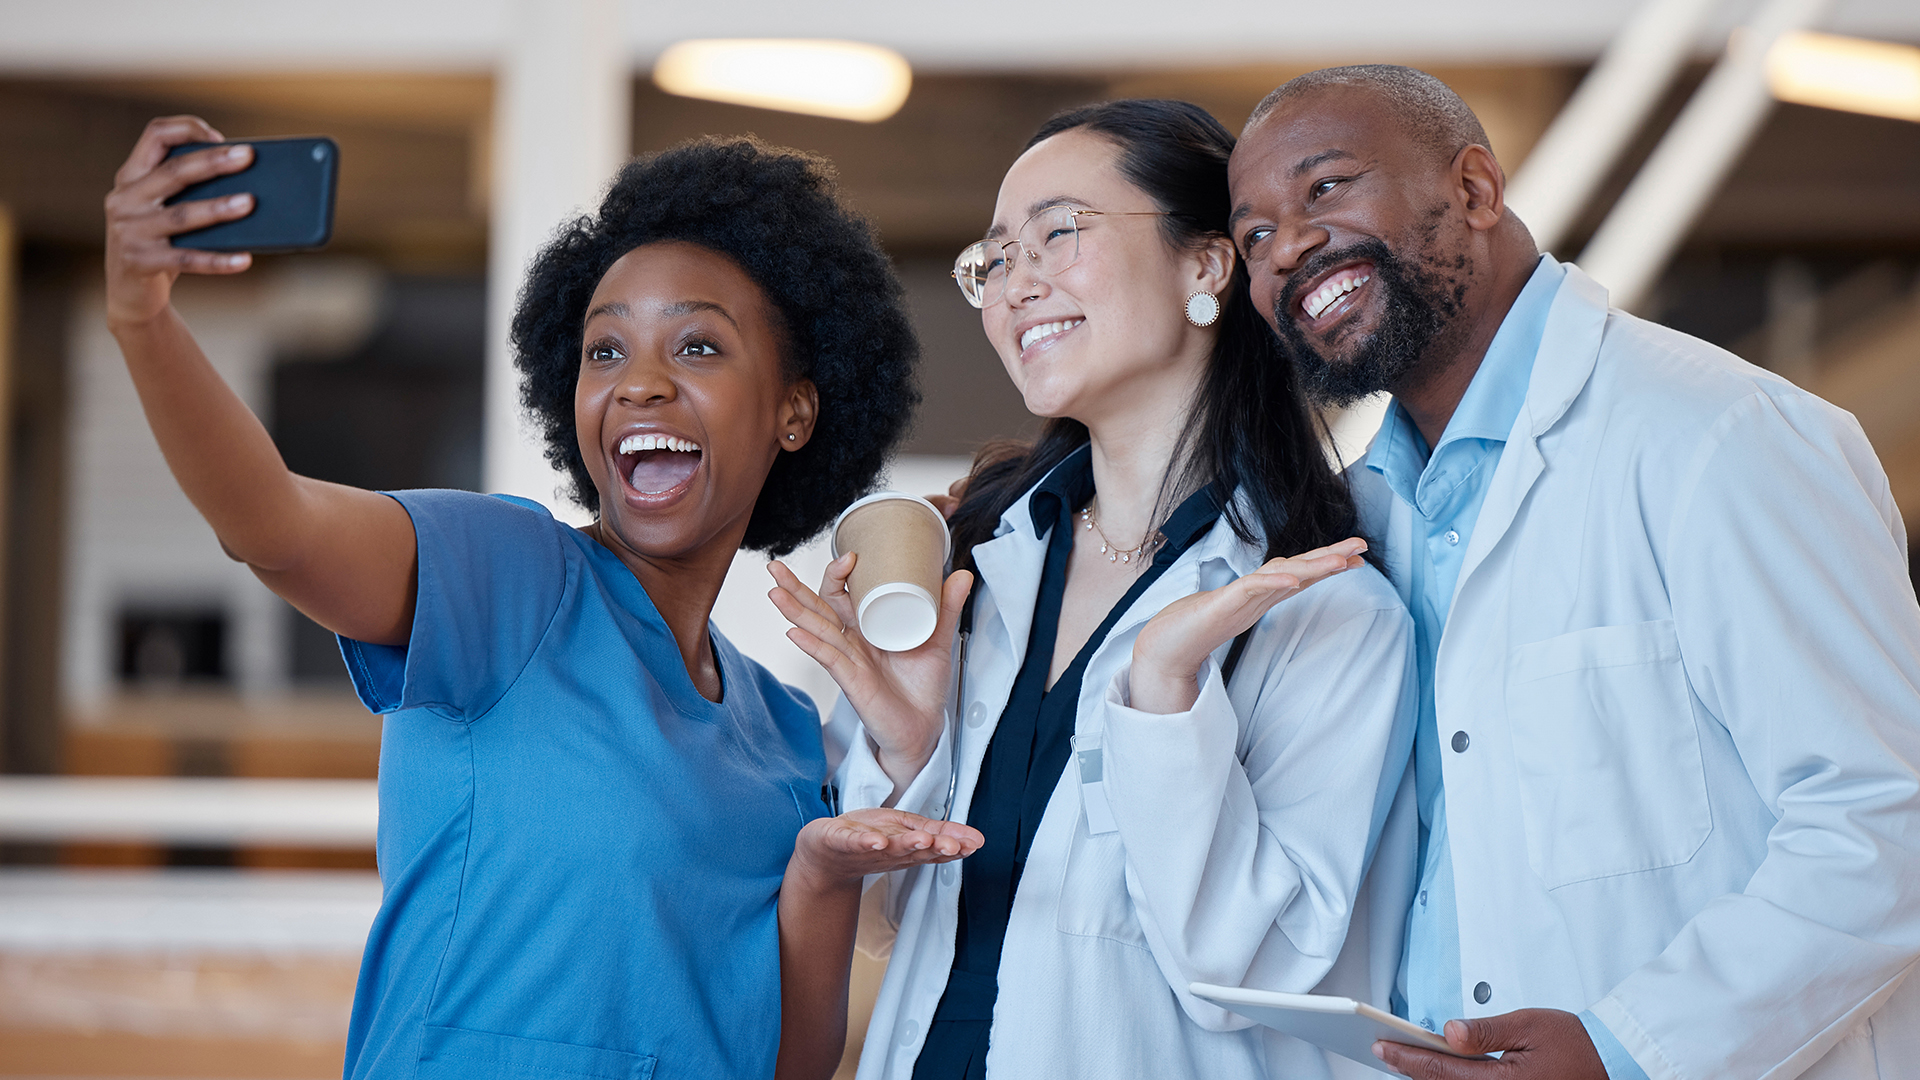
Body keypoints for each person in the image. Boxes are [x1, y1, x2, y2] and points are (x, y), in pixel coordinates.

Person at [102, 117, 978, 1080]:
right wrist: (144, 320)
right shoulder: (511, 578)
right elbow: (274, 525)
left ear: (795, 410)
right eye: (605, 353)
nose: (639, 383)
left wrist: (821, 870)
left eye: (696, 347)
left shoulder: (782, 732)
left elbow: (793, 1066)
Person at [1227, 65, 1920, 1079]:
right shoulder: (1361, 523)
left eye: (1326, 188)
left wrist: (1627, 1048)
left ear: (1474, 190)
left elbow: (1884, 814)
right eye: (1252, 235)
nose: (1287, 246)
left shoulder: (1722, 437)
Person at [771, 99, 1419, 1080]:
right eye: (994, 260)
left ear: (1206, 265)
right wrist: (904, 758)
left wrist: (1164, 702)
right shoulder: (974, 566)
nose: (1014, 286)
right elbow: (884, 917)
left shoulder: (1325, 610)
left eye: (1058, 234)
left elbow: (1259, 966)